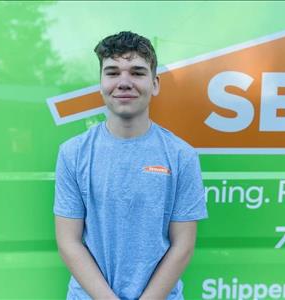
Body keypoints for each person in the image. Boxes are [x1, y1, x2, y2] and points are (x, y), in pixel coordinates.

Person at [54, 31, 208, 300]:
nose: (124, 82)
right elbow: (69, 242)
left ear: (155, 83)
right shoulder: (73, 153)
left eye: (137, 72)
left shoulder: (182, 155)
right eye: (112, 72)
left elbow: (183, 245)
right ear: (101, 82)